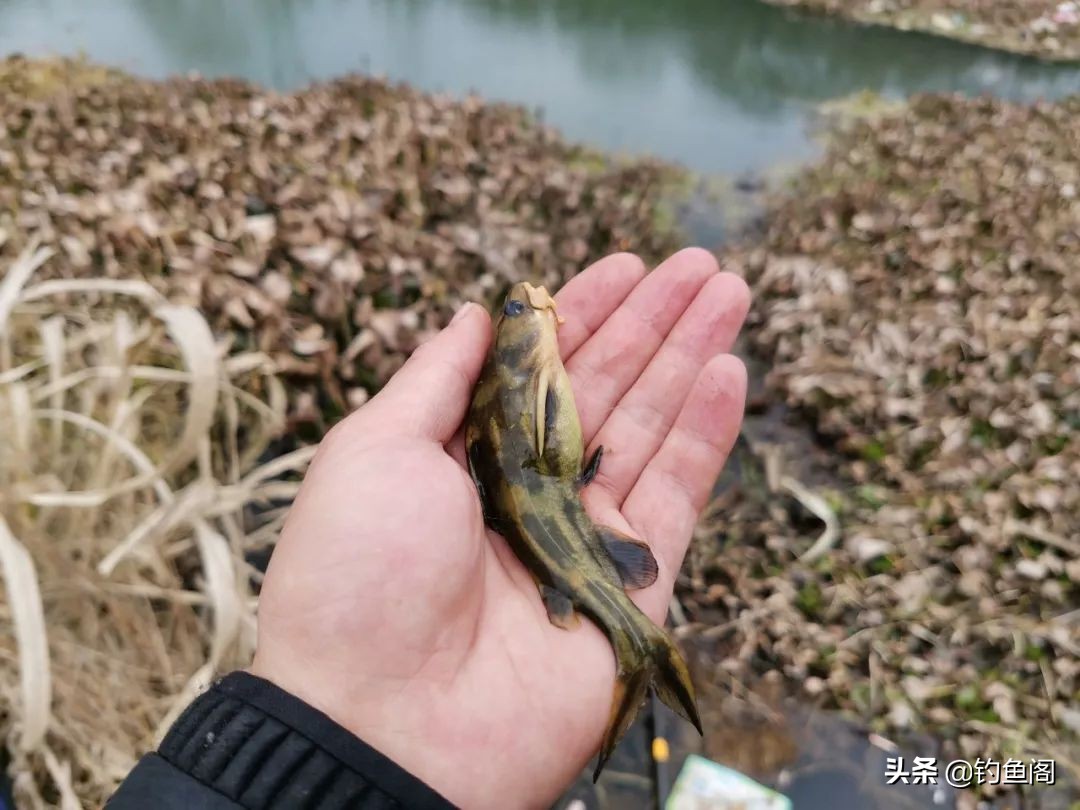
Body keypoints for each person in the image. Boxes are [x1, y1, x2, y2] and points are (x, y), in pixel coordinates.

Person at [107, 249, 750, 809]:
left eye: (515, 313)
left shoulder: (524, 376)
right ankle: (639, 646)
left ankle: (638, 648)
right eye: (517, 314)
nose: (524, 307)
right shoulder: (527, 378)